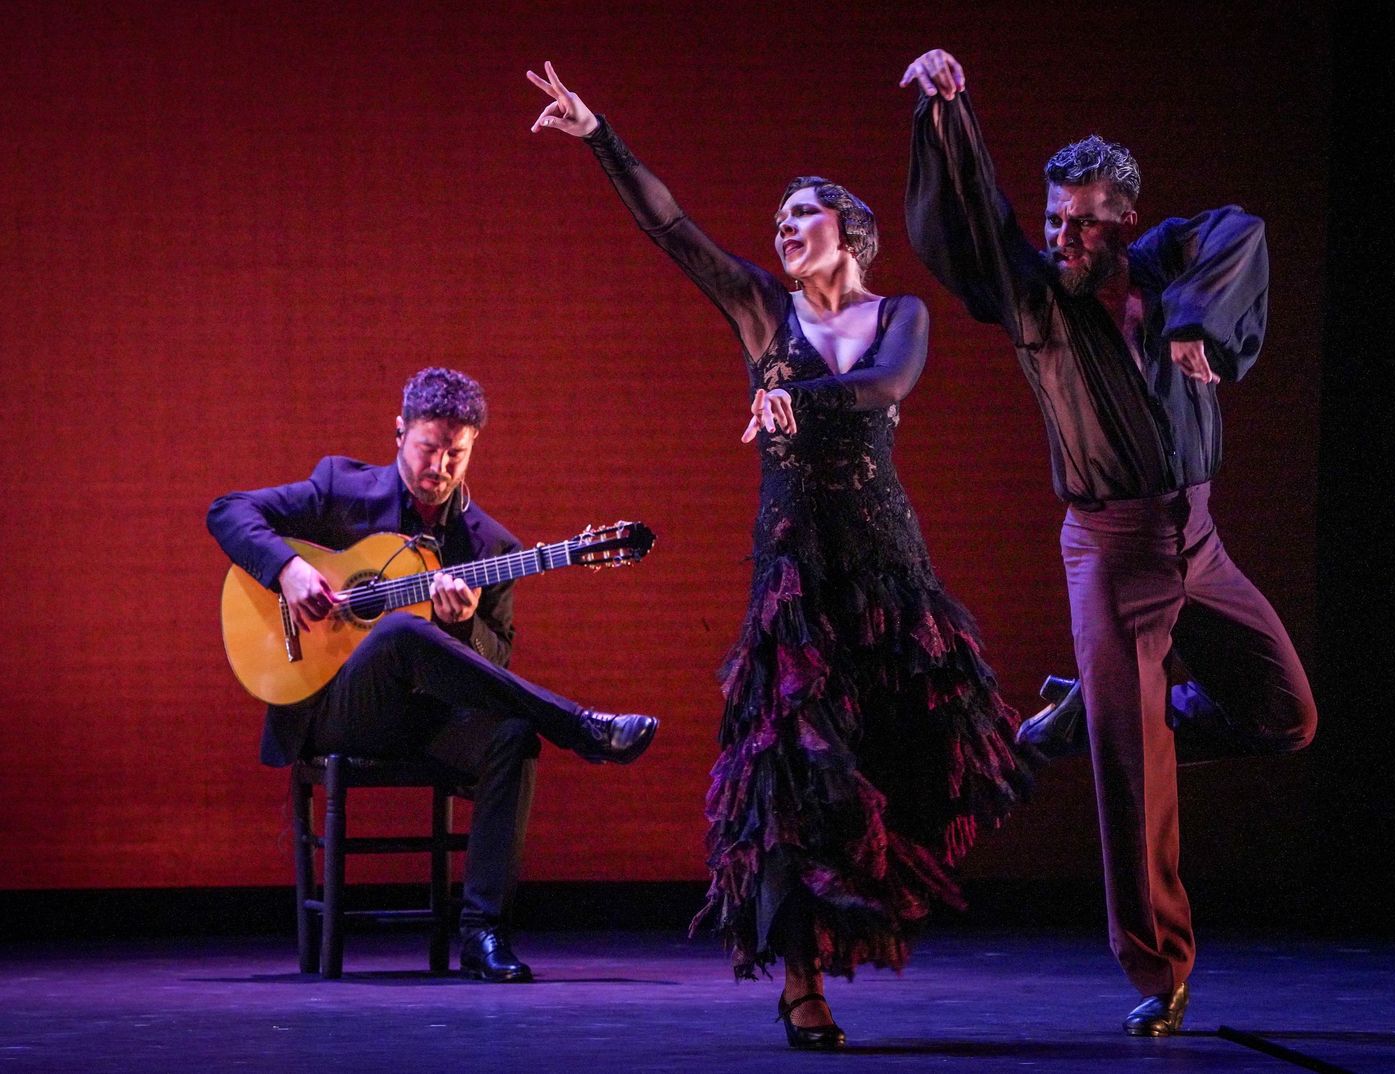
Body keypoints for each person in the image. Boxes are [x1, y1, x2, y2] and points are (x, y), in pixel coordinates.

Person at [526, 63, 1031, 1049]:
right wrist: (600, 134)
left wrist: (794, 400)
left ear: (849, 230)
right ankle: (801, 983)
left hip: (887, 574)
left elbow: (884, 389)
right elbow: (671, 229)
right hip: (794, 583)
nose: (783, 229)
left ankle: (877, 903)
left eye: (802, 215)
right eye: (777, 221)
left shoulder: (900, 319)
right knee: (793, 776)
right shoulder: (763, 312)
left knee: (902, 763)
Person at [899, 50, 1318, 1036]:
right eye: (1054, 218)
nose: (1063, 235)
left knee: (1286, 715)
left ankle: (1092, 709)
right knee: (1136, 778)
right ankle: (1162, 969)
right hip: (1113, 550)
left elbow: (1242, 230)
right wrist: (948, 114)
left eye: (1083, 218)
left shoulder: (1169, 262)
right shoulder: (1036, 296)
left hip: (1195, 537)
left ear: (1123, 217)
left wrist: (1193, 318)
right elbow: (968, 226)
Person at [207, 367, 658, 983]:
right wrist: (286, 568)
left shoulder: (493, 547)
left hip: (427, 724)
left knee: (513, 734)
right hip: (334, 706)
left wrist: (466, 629)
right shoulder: (343, 488)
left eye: (456, 453)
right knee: (397, 630)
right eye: (427, 448)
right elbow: (228, 510)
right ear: (398, 433)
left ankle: (484, 933)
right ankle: (577, 724)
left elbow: (492, 666)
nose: (440, 466)